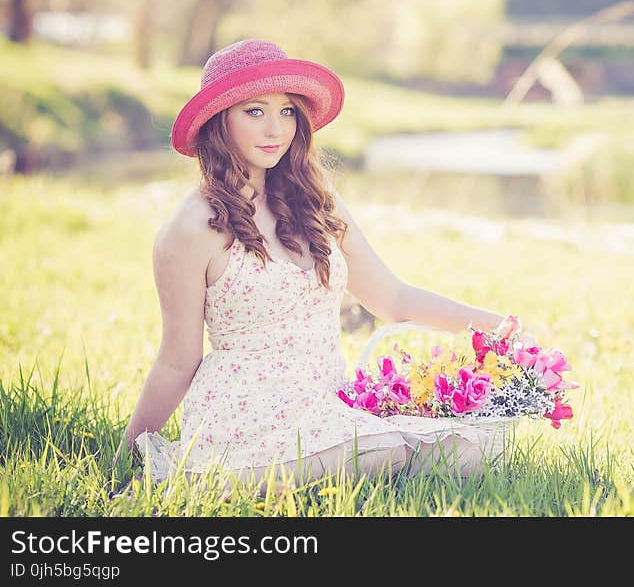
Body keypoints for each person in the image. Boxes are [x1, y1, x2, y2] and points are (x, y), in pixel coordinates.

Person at [118, 39, 511, 494]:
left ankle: (353, 462)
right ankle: (211, 479)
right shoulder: (190, 229)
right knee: (379, 450)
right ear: (218, 120)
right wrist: (130, 452)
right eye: (254, 111)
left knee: (472, 452)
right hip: (245, 411)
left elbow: (393, 298)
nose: (275, 129)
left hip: (324, 399)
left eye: (286, 111)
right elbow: (176, 361)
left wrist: (496, 327)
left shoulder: (315, 197)